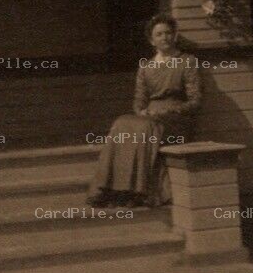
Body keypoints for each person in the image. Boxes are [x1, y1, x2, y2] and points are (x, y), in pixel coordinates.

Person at [86, 14, 202, 207]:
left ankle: (137, 191)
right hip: (149, 118)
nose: (164, 37)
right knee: (122, 123)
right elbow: (139, 102)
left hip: (176, 120)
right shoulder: (146, 67)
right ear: (152, 40)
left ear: (174, 36)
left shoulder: (187, 62)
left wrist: (168, 111)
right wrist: (142, 112)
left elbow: (195, 101)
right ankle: (113, 189)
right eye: (159, 34)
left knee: (145, 128)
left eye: (168, 33)